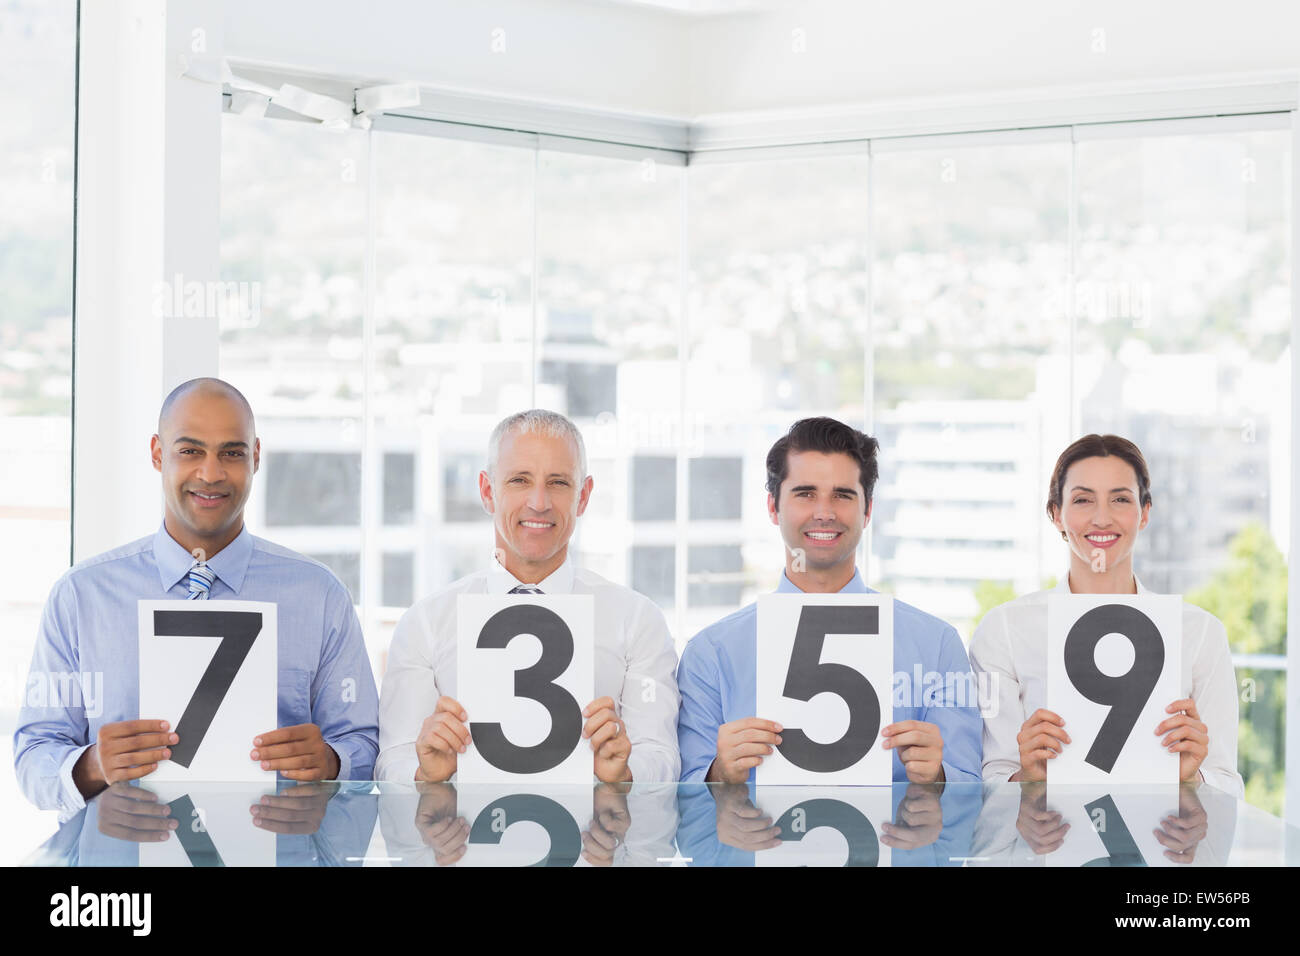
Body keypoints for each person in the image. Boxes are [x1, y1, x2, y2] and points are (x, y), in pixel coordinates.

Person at [13, 378, 380, 814]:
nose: (211, 473)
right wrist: (91, 766)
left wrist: (331, 762)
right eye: (190, 451)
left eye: (232, 452)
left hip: (275, 852)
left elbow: (365, 742)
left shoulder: (319, 596)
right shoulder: (80, 596)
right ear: (157, 454)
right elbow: (34, 753)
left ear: (256, 456)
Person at [376, 409, 680, 785]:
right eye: (520, 480)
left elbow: (662, 755)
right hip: (464, 837)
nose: (539, 502)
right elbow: (393, 760)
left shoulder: (637, 621)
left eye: (558, 483)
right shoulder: (425, 623)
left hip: (595, 838)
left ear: (583, 497)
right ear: (488, 491)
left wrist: (626, 772)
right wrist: (424, 775)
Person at [676, 416, 983, 788]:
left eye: (842, 494)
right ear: (773, 508)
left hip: (892, 845)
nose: (824, 511)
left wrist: (939, 777)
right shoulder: (710, 654)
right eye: (805, 493)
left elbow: (971, 796)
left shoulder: (937, 646)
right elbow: (677, 808)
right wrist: (719, 774)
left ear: (867, 511)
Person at [969, 433, 1243, 796]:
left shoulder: (1199, 632)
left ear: (1145, 513)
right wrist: (1027, 778)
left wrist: (1193, 779)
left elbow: (1228, 785)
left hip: (1157, 845)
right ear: (1056, 514)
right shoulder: (1005, 629)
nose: (1101, 518)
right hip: (1048, 846)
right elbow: (987, 782)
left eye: (1120, 499)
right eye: (1082, 500)